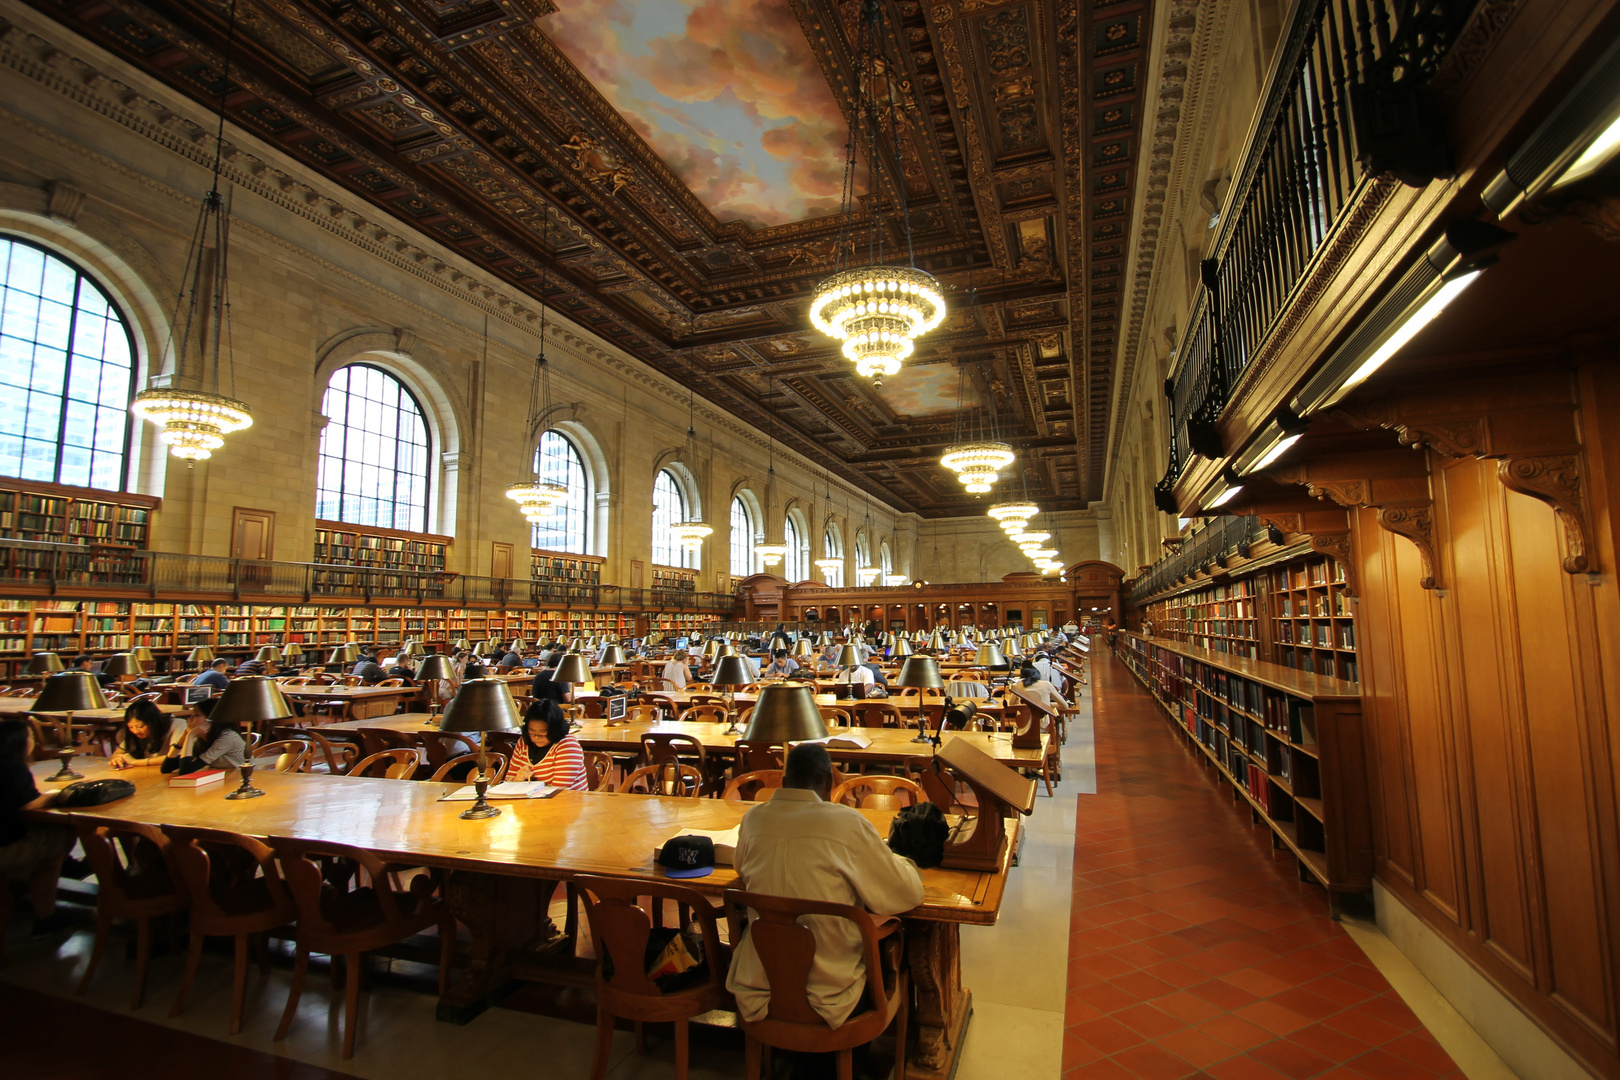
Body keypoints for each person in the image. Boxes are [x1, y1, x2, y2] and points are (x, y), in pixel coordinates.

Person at [726, 743, 923, 1030]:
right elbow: (906, 895)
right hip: (833, 995)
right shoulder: (848, 823)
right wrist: (904, 863)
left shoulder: (754, 818)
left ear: (783, 783)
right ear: (832, 785)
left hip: (761, 987)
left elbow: (741, 869)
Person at [0, 718, 77, 934]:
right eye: (31, 737)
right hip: (4, 850)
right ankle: (46, 916)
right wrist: (54, 796)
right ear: (21, 742)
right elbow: (28, 805)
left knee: (44, 838)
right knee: (57, 839)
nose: (34, 741)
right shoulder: (13, 767)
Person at [507, 701, 588, 790]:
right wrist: (517, 780)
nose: (537, 737)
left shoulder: (568, 746)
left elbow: (558, 790)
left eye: (543, 732)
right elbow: (507, 783)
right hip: (532, 802)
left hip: (567, 801)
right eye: (532, 731)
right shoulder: (523, 743)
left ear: (555, 729)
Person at [162, 698, 247, 774]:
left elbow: (185, 771)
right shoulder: (202, 738)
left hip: (238, 780)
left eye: (196, 715)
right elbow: (167, 768)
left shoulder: (228, 737)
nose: (189, 719)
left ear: (211, 719)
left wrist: (190, 736)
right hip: (225, 779)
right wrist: (180, 742)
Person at [108, 699, 182, 769]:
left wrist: (135, 762)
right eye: (130, 727)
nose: (135, 731)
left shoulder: (177, 725)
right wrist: (117, 758)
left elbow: (175, 756)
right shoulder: (135, 734)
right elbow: (118, 752)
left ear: (152, 722)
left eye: (140, 726)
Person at [1014, 663, 1067, 731]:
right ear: (1038, 675)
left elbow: (1011, 705)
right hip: (1043, 726)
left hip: (1023, 725)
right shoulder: (1046, 684)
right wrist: (1047, 705)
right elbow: (1065, 706)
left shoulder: (1018, 684)